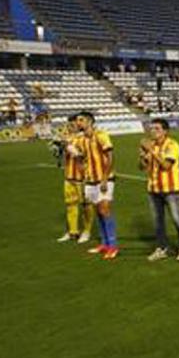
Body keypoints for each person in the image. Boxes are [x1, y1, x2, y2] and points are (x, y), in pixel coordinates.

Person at [141, 119, 179, 263]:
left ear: (165, 131)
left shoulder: (172, 145)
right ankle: (162, 248)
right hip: (153, 188)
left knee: (177, 219)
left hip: (171, 190)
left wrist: (150, 150)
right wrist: (143, 155)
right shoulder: (152, 145)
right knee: (158, 221)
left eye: (156, 129)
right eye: (151, 129)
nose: (153, 131)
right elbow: (142, 167)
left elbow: (166, 165)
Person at [75, 111, 119, 260]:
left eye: (80, 120)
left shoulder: (101, 135)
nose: (78, 123)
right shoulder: (80, 139)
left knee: (105, 209)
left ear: (89, 121)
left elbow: (110, 156)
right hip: (90, 180)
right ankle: (104, 243)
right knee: (98, 211)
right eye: (77, 121)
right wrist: (81, 169)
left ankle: (113, 246)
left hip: (104, 179)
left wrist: (105, 179)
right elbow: (78, 156)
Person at [55, 114, 94, 244]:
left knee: (85, 205)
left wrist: (70, 147)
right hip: (69, 176)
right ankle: (72, 231)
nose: (70, 126)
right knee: (70, 204)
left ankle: (87, 231)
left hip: (82, 177)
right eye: (69, 124)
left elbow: (84, 155)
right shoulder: (67, 137)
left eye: (73, 124)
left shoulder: (85, 138)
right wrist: (58, 149)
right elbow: (62, 158)